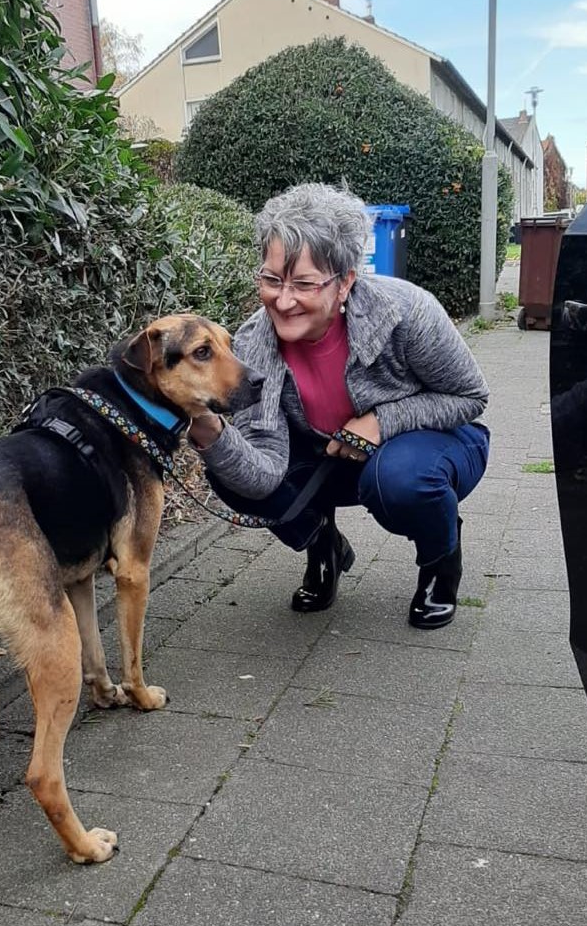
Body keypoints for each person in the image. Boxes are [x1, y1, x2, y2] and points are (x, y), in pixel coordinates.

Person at [188, 182, 490, 629]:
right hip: (327, 457)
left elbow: (470, 397)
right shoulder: (252, 343)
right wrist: (212, 435)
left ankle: (440, 562)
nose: (283, 300)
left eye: (303, 284)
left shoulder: (407, 312)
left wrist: (381, 421)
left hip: (430, 445)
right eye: (271, 280)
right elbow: (265, 469)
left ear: (345, 280)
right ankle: (321, 543)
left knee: (401, 480)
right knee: (229, 473)